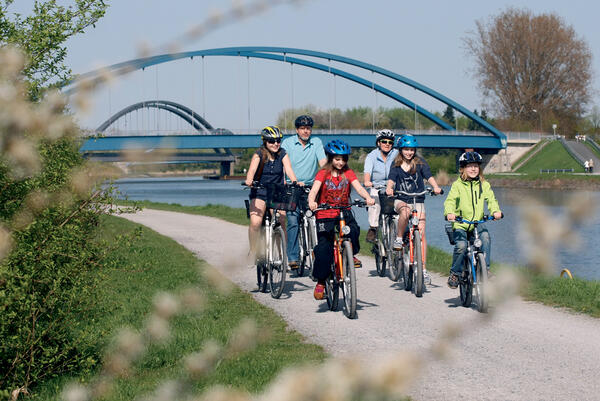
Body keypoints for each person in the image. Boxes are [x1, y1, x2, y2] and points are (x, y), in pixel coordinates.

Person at [307, 140, 375, 300]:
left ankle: (350, 254)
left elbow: (358, 187)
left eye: (343, 159)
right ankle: (321, 282)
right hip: (325, 213)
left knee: (354, 229)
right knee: (324, 249)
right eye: (337, 159)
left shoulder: (348, 172)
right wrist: (312, 201)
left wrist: (367, 198)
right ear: (330, 158)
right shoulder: (323, 173)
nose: (341, 162)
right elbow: (314, 189)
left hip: (344, 211)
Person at [385, 134, 442, 283]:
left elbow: (428, 176)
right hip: (402, 199)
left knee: (421, 235)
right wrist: (389, 188)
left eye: (412, 149)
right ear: (400, 150)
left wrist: (435, 187)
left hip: (418, 199)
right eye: (406, 149)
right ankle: (398, 238)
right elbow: (391, 179)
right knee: (405, 211)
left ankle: (423, 269)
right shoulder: (395, 165)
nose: (409, 152)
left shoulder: (421, 163)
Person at [443, 151, 502, 289]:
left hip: (478, 222)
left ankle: (485, 269)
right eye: (470, 166)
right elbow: (450, 201)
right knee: (462, 246)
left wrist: (495, 211)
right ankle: (455, 274)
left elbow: (491, 199)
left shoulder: (484, 184)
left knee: (486, 237)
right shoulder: (457, 185)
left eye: (476, 166)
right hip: (461, 223)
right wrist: (450, 213)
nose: (473, 169)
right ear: (463, 168)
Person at [245, 126, 299, 260]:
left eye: (278, 141)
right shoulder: (259, 154)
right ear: (265, 142)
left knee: (281, 221)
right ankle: (253, 250)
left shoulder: (283, 154)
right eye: (271, 141)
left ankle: (282, 254)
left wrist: (294, 181)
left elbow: (289, 169)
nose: (275, 144)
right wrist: (249, 180)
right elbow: (251, 170)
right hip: (260, 191)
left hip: (277, 192)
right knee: (256, 223)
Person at [281, 115, 327, 270]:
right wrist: (287, 181)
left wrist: (330, 175)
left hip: (310, 187)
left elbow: (323, 162)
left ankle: (319, 252)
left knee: (317, 219)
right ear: (297, 130)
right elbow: (284, 164)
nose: (305, 131)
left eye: (308, 128)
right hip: (292, 188)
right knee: (293, 221)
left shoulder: (317, 142)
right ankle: (293, 257)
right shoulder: (287, 143)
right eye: (302, 128)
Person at [363, 129, 399, 242]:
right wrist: (369, 182)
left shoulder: (397, 154)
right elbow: (367, 177)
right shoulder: (371, 156)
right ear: (378, 143)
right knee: (374, 201)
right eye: (384, 141)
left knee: (401, 207)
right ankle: (373, 228)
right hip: (377, 187)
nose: (387, 144)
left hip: (394, 187)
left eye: (390, 142)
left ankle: (401, 232)